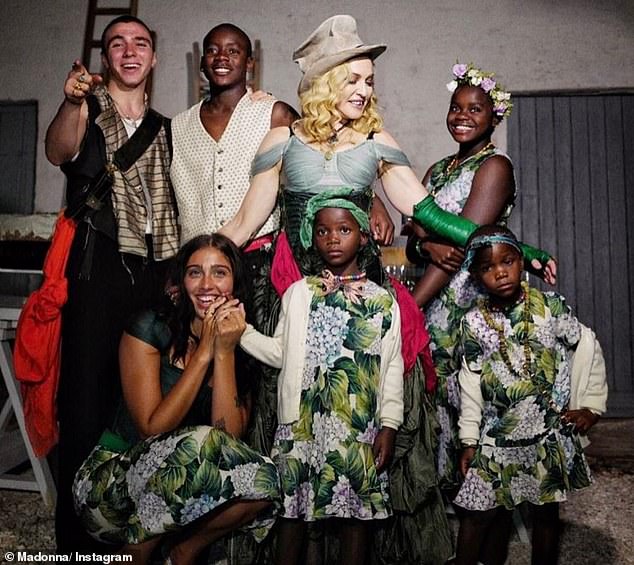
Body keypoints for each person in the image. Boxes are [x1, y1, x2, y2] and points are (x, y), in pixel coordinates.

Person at [219, 15, 552, 563]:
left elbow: (429, 215)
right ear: (325, 82)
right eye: (353, 80)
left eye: (370, 81)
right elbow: (245, 222)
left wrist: (517, 247)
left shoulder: (376, 141)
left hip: (359, 300)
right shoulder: (282, 139)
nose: (365, 90)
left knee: (363, 417)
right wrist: (193, 261)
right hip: (293, 290)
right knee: (290, 417)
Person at [170, 22, 396, 458]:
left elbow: (332, 160)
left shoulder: (276, 113)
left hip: (272, 263)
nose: (222, 57)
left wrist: (373, 201)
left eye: (234, 50)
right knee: (224, 366)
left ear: (249, 63)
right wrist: (187, 270)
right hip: (215, 266)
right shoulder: (180, 126)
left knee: (326, 370)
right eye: (213, 50)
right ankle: (219, 466)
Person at [44, 15, 179, 552]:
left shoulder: (169, 127)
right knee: (85, 399)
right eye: (116, 43)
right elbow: (59, 151)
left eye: (140, 43)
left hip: (153, 272)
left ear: (153, 57)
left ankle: (135, 532)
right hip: (96, 267)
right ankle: (77, 542)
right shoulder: (87, 111)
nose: (129, 51)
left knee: (145, 404)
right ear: (105, 59)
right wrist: (72, 101)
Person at [73, 234, 281, 565]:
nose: (206, 284)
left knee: (267, 480)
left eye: (220, 273)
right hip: (108, 488)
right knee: (195, 441)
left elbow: (224, 444)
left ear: (236, 285)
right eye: (195, 272)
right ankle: (140, 550)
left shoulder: (242, 350)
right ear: (182, 282)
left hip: (175, 493)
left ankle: (184, 552)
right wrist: (202, 355)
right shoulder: (150, 327)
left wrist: (224, 352)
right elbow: (150, 429)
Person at [239, 191, 404, 565]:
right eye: (323, 231)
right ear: (311, 238)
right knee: (293, 512)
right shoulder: (299, 294)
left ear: (363, 236)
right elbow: (281, 353)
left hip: (357, 427)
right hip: (302, 425)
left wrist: (389, 425)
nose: (333, 238)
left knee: (355, 516)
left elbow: (391, 366)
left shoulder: (382, 301)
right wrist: (243, 334)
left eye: (344, 229)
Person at [452, 225, 608, 565]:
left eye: (507, 261)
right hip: (497, 436)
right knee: (479, 511)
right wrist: (468, 440)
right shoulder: (475, 322)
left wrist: (590, 408)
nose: (500, 272)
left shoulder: (549, 308)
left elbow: (586, 346)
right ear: (476, 276)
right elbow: (470, 382)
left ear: (521, 261)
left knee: (546, 515)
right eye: (488, 268)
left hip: (545, 434)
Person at [404, 62, 523, 494]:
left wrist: (411, 304)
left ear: (495, 117)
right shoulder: (437, 171)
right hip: (436, 296)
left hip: (472, 302)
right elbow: (414, 231)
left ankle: (484, 506)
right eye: (456, 107)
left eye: (475, 109)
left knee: (472, 399)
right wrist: (426, 244)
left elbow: (466, 245)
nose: (462, 116)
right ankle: (442, 506)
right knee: (434, 402)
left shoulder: (494, 167)